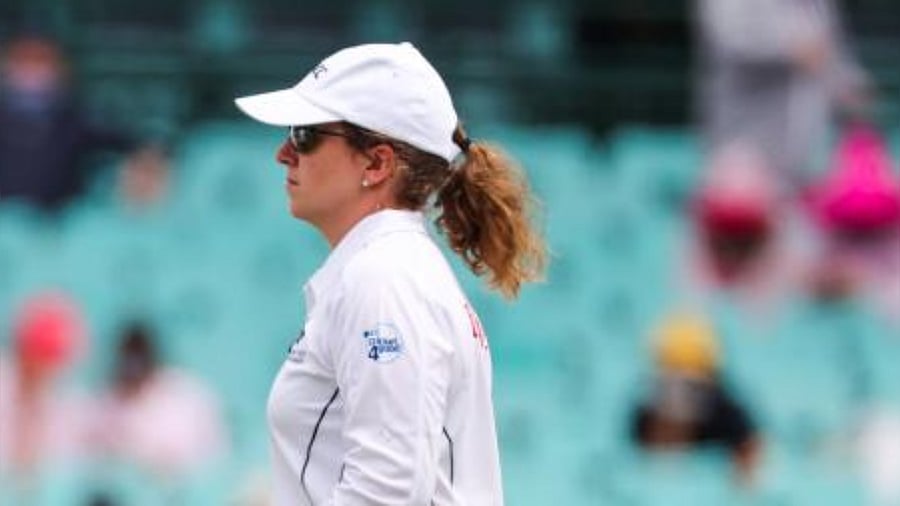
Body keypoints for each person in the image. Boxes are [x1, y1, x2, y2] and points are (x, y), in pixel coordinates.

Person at [234, 42, 547, 505]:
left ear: (377, 163)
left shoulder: (384, 278)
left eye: (304, 135)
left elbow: (387, 492)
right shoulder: (388, 270)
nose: (284, 152)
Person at [695, 0, 870, 189]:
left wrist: (851, 86)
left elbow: (833, 54)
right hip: (743, 156)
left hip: (805, 158)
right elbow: (731, 36)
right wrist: (790, 48)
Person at [0, 33, 166, 212]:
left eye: (41, 62)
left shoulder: (76, 118)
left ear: (60, 69)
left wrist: (148, 157)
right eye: (23, 62)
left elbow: (132, 143)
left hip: (63, 225)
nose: (31, 72)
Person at [630, 312, 762, 485]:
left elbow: (751, 460)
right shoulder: (642, 424)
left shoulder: (730, 422)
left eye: (692, 388)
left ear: (712, 386)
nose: (680, 401)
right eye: (670, 386)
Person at [91, 321, 227, 479]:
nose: (133, 370)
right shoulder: (105, 402)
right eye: (127, 363)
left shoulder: (185, 397)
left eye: (137, 362)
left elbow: (213, 457)